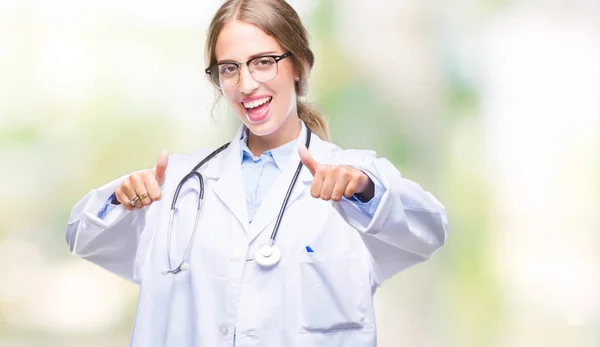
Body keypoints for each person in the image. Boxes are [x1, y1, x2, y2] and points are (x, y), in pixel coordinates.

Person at [65, 0, 448, 346]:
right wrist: (120, 198)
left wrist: (364, 190)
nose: (247, 84)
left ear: (300, 65)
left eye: (263, 61)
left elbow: (429, 230)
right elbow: (82, 236)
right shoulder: (178, 185)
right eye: (229, 68)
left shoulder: (354, 179)